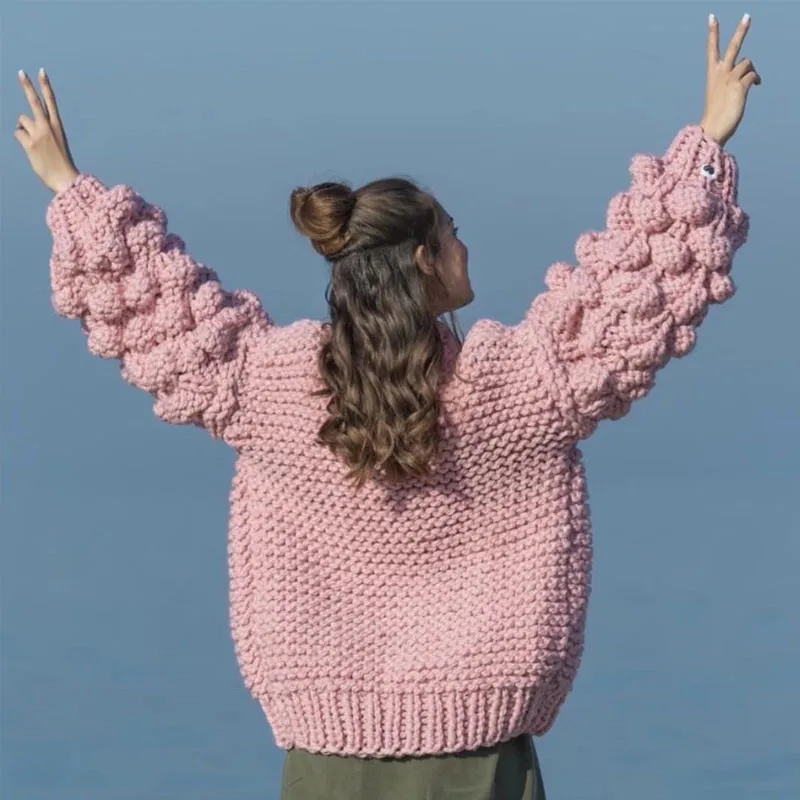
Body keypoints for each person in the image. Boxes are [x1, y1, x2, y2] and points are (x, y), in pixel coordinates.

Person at [14, 12, 760, 800]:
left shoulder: (269, 386)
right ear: (424, 259)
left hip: (326, 761)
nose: (467, 247)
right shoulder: (522, 388)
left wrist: (68, 188)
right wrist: (708, 141)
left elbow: (153, 306)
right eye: (453, 234)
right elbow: (642, 284)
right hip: (482, 762)